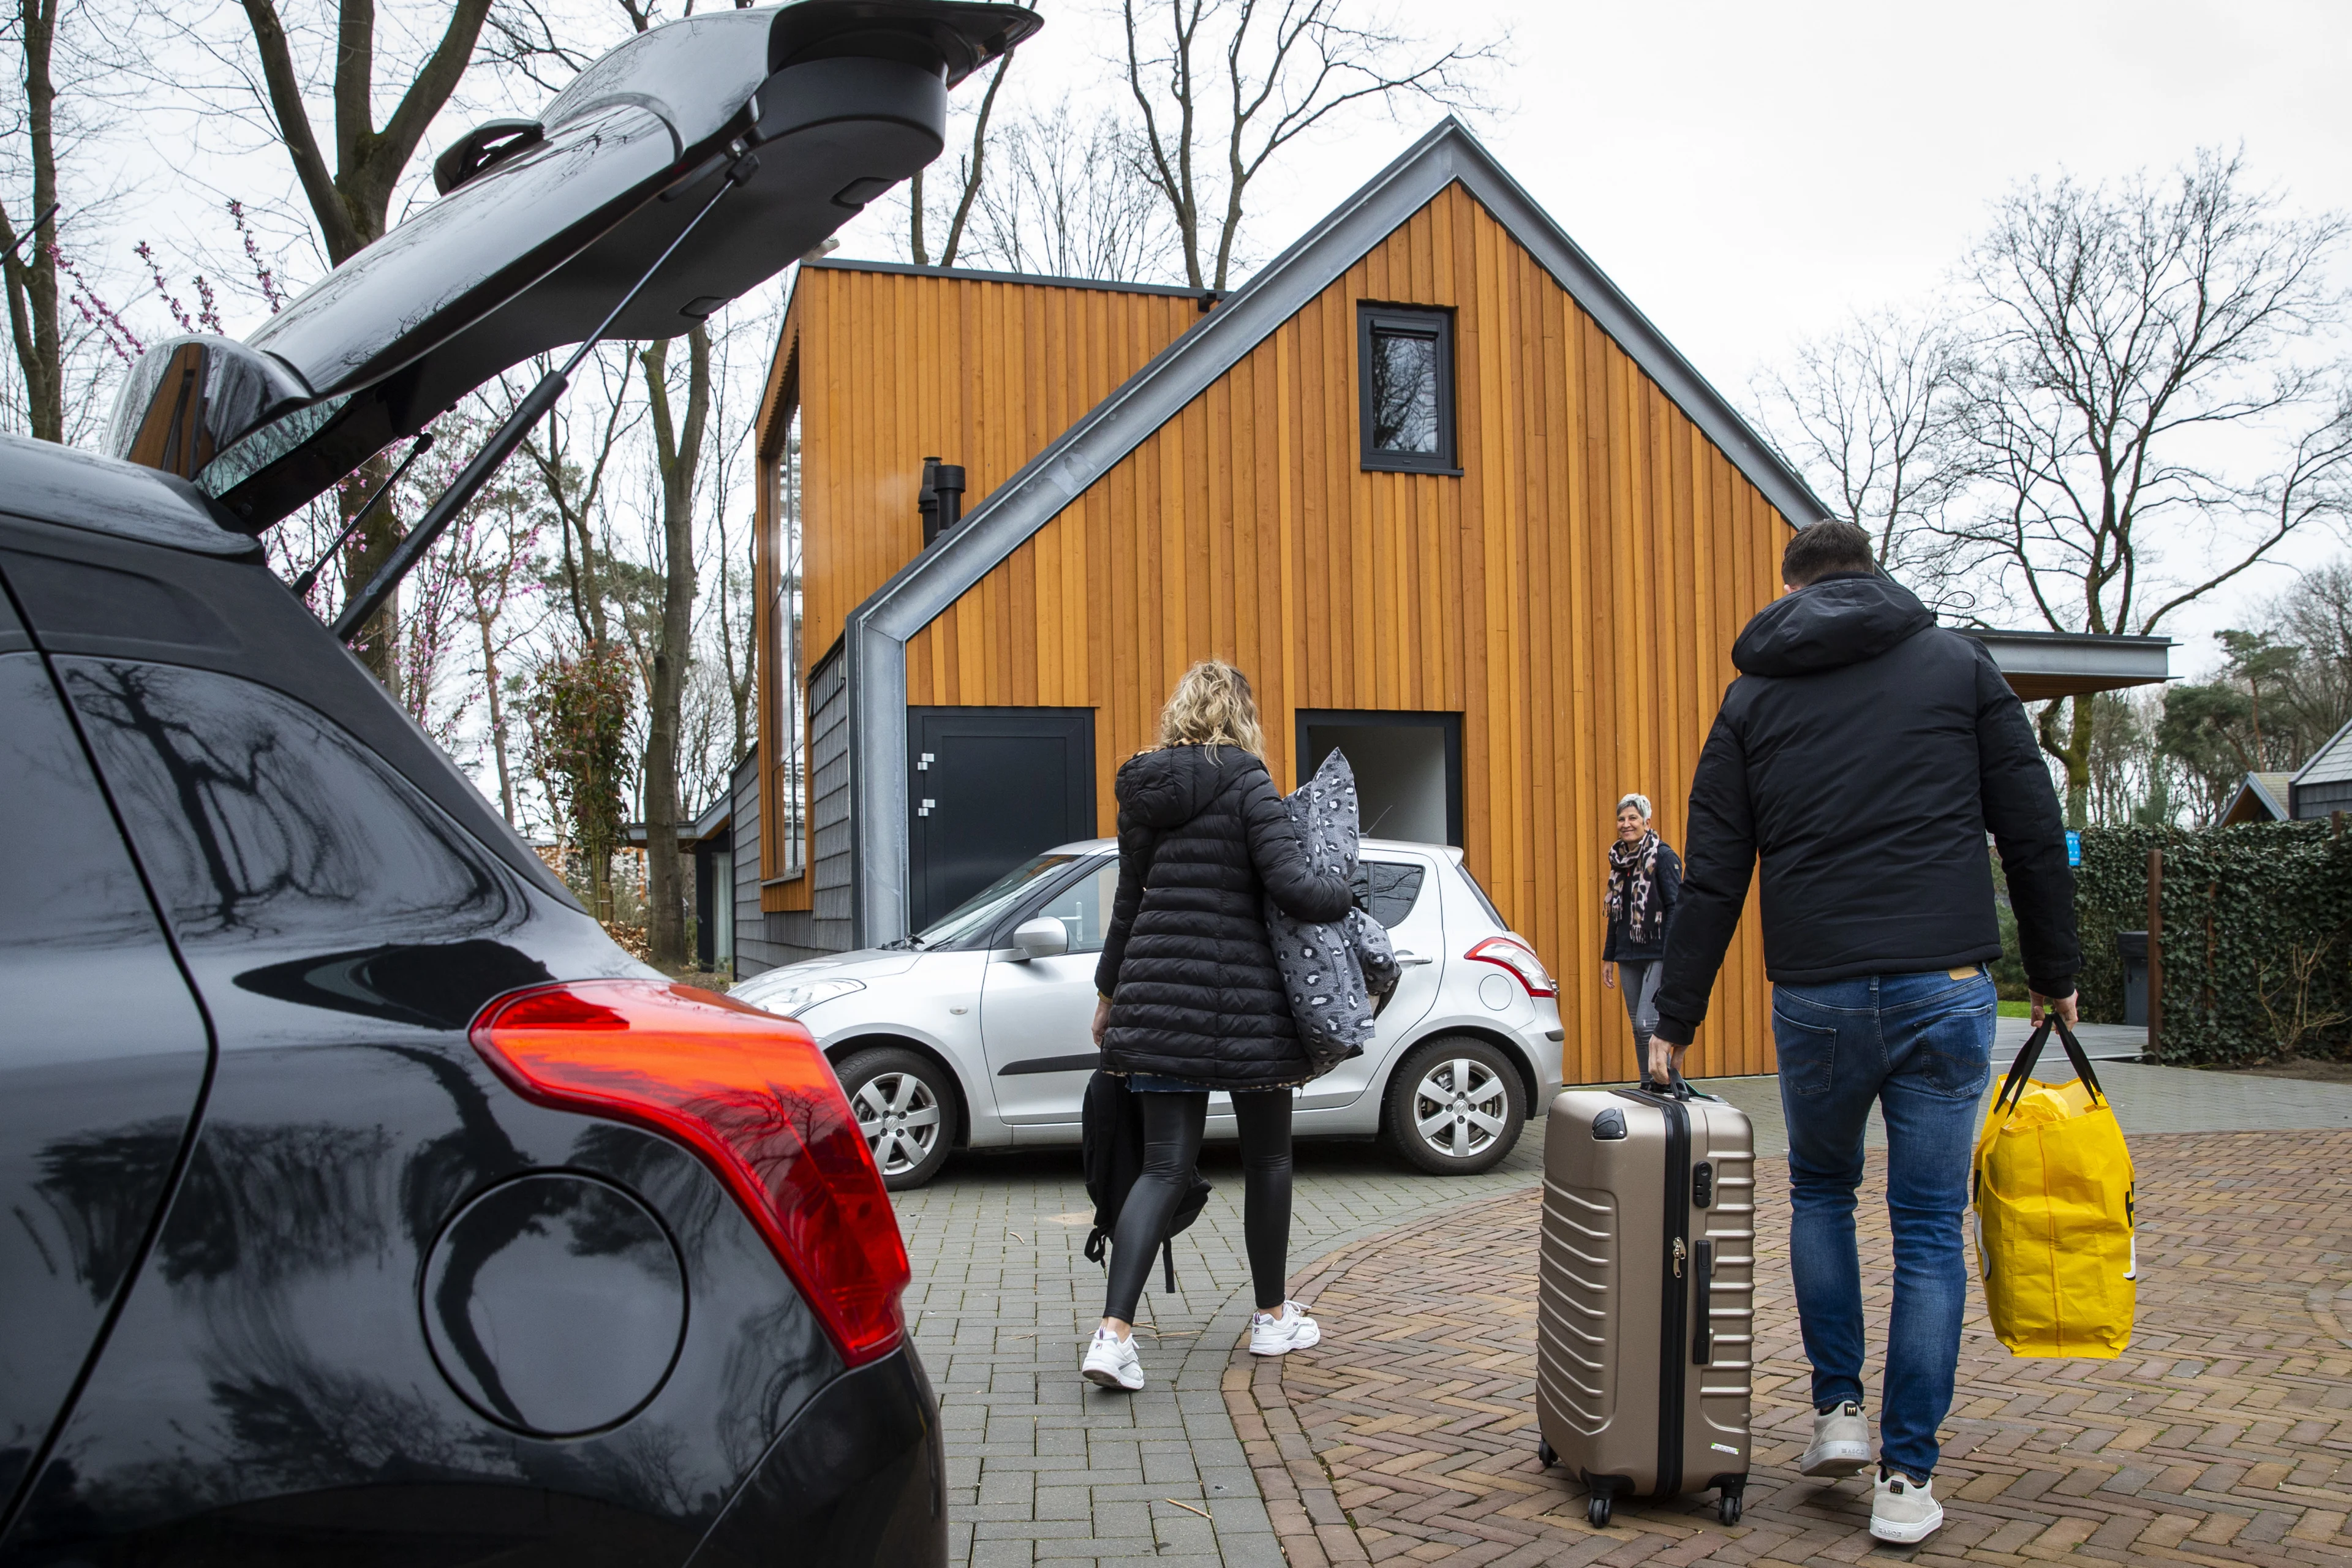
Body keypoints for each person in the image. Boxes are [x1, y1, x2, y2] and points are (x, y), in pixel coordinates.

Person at [1651, 520, 2079, 1547]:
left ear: (1789, 588)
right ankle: (1907, 1479)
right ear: (1873, 571)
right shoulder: (1958, 666)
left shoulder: (1754, 697)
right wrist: (2057, 976)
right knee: (1930, 1228)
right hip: (1945, 983)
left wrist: (1674, 1018)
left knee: (1822, 1191)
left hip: (1819, 989)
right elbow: (2028, 824)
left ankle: (1839, 1413)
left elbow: (1715, 871)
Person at [1080, 660, 1355, 1392]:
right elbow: (1296, 887)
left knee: (1163, 1167)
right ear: (1240, 715)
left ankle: (1112, 1336)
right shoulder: (1247, 781)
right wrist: (1348, 886)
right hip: (1247, 1014)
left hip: (1158, 1001)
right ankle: (1271, 1318)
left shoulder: (1143, 792)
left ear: (1180, 711)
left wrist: (1109, 993)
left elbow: (1128, 905)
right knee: (1268, 1161)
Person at [1600, 793, 1681, 1068]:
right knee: (1637, 1026)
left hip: (1658, 953)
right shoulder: (1620, 862)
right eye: (1621, 819)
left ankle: (1665, 1083)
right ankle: (1648, 1087)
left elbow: (1676, 908)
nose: (1626, 824)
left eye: (1633, 818)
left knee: (1648, 1023)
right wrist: (1609, 957)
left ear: (1646, 822)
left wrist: (1671, 954)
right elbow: (1615, 913)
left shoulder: (1663, 856)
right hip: (1628, 954)